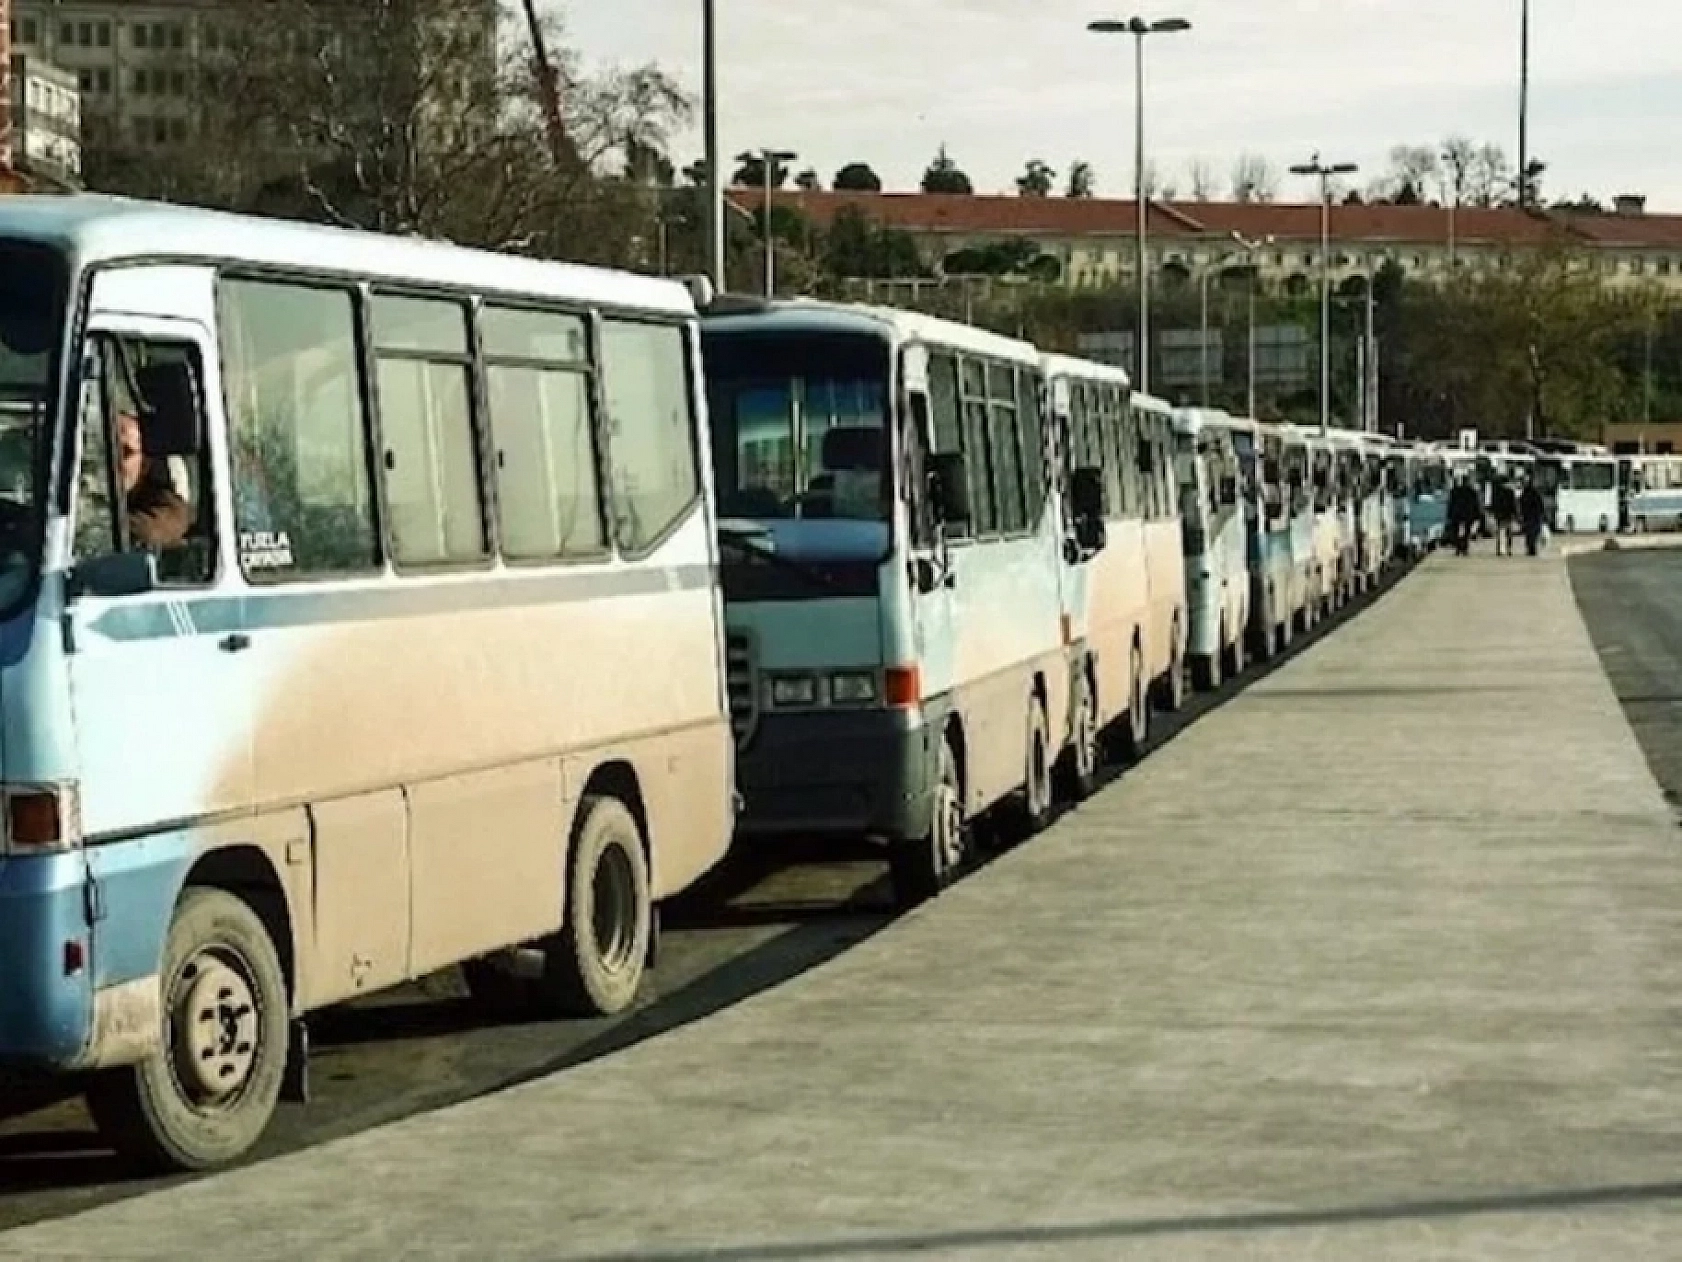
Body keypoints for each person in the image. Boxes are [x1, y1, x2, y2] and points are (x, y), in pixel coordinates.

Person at [117, 411, 191, 550]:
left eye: (127, 452)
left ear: (145, 464)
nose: (116, 460)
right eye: (108, 449)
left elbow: (149, 532)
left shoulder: (168, 512)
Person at [1447, 473, 1481, 556]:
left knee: (1455, 531)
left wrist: (1449, 514)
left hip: (1456, 513)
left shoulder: (1454, 491)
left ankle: (1458, 548)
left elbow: (1451, 503)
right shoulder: (1471, 491)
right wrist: (1477, 514)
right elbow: (1475, 504)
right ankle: (1464, 548)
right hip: (1467, 514)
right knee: (1466, 531)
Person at [1488, 475, 1518, 556]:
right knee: (1508, 532)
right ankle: (1508, 549)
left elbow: (1493, 504)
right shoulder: (1510, 492)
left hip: (1499, 514)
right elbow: (1513, 504)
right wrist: (1516, 514)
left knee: (1500, 531)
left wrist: (1493, 513)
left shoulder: (1496, 492)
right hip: (1508, 514)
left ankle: (1499, 549)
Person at [1519, 476, 1547, 557]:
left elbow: (1522, 505)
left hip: (1530, 517)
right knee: (1533, 533)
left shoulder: (1525, 493)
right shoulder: (1535, 493)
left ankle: (1531, 549)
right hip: (1534, 517)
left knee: (1530, 534)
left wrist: (1522, 514)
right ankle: (1532, 549)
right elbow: (1540, 505)